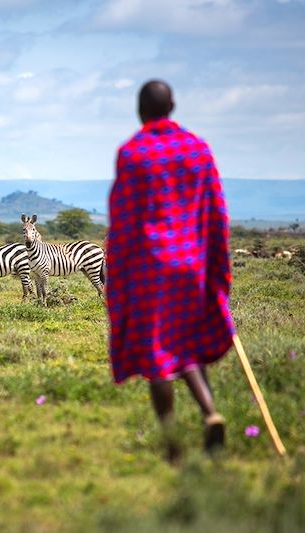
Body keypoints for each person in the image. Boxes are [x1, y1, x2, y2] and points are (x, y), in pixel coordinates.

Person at [106, 80, 235, 462]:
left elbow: (123, 220)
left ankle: (172, 444)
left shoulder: (133, 153)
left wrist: (119, 274)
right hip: (191, 264)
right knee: (186, 342)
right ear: (173, 105)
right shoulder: (198, 150)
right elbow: (217, 212)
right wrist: (216, 267)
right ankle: (210, 412)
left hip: (150, 267)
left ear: (138, 109)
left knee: (157, 354)